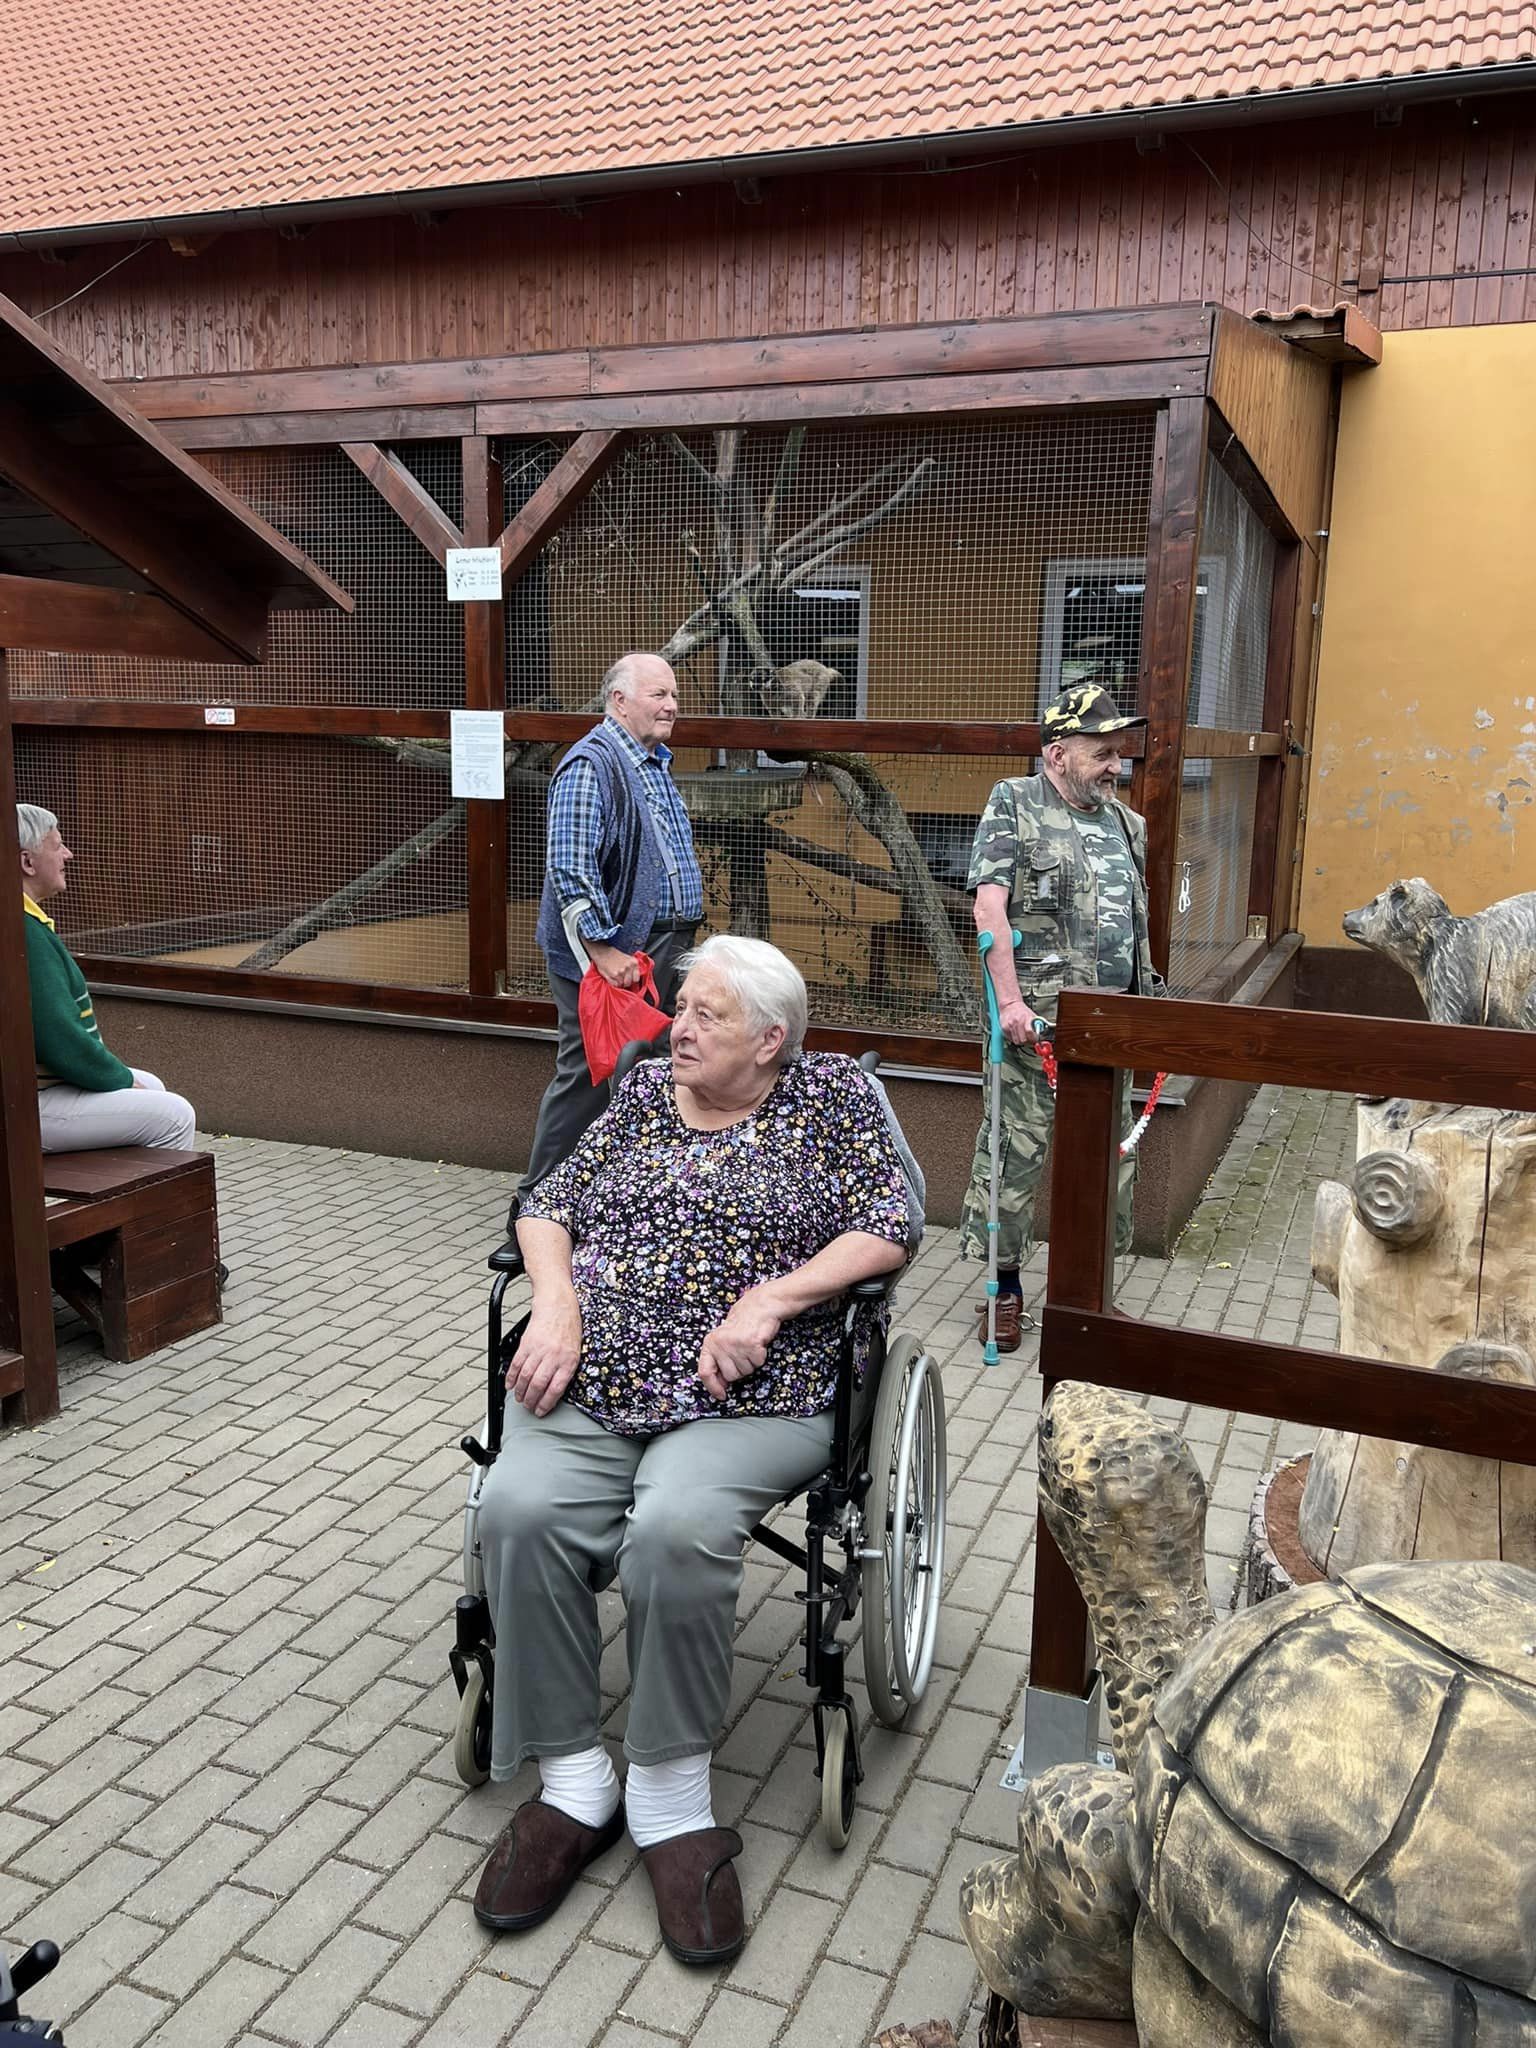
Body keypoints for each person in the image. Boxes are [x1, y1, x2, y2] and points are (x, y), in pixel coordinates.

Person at [473, 935, 914, 1964]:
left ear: (769, 1039)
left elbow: (891, 1223)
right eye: (684, 1009)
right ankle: (575, 1782)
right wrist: (556, 1301)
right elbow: (547, 1203)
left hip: (752, 1394)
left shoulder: (833, 1100)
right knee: (515, 1507)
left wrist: (772, 1298)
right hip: (600, 1375)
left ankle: (671, 1799)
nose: (679, 1028)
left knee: (675, 1528)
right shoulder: (639, 1095)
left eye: (707, 1015)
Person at [958, 683, 1163, 1352]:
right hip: (1035, 1025)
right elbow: (989, 908)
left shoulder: (1127, 825)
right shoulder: (1014, 804)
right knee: (1015, 1156)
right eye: (1102, 754)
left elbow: (1135, 923)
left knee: (1109, 1160)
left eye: (1118, 754)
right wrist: (1009, 1004)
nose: (1115, 766)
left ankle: (1088, 1293)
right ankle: (1003, 1291)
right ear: (1057, 755)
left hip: (1112, 1023)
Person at [512, 651, 705, 1227]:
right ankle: (532, 1212)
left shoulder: (652, 762)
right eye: (658, 695)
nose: (671, 706)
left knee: (652, 1070)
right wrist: (602, 949)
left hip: (661, 949)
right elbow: (570, 868)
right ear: (619, 700)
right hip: (615, 955)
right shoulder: (590, 764)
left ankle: (623, 1204)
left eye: (674, 695)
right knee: (590, 1075)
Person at [18, 805, 197, 1153]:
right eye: (57, 846)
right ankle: (150, 1192)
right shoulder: (25, 933)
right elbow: (59, 1038)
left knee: (151, 1085)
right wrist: (120, 1079)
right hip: (29, 1103)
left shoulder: (26, 922)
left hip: (34, 1090)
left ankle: (123, 1183)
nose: (68, 854)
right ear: (27, 862)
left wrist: (123, 1080)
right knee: (175, 1115)